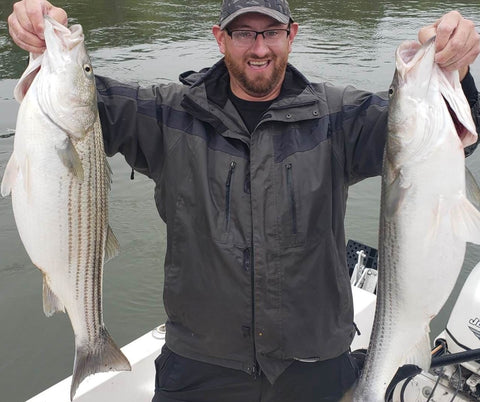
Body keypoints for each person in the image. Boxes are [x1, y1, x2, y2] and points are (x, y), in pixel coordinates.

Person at [8, 0, 480, 401]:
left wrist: (454, 69)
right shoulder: (168, 114)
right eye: (243, 33)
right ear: (219, 37)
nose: (259, 47)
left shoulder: (338, 118)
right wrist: (42, 33)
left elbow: (428, 138)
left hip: (314, 361)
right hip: (198, 364)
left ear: (291, 35)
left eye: (271, 31)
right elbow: (82, 106)